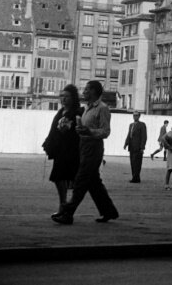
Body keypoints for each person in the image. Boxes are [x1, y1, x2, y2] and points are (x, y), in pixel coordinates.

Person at [52, 80, 119, 225]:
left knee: (81, 182)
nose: (85, 91)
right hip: (83, 148)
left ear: (94, 91)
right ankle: (108, 211)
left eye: (87, 89)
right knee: (94, 183)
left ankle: (67, 212)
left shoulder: (102, 108)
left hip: (94, 149)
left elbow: (105, 131)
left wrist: (89, 131)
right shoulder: (86, 108)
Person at [43, 85, 84, 215]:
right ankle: (63, 205)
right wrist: (49, 143)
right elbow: (53, 130)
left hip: (72, 151)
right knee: (58, 178)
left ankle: (66, 208)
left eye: (66, 96)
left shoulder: (78, 113)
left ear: (73, 98)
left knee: (77, 181)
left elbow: (79, 132)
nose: (63, 99)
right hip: (60, 151)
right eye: (62, 96)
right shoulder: (60, 112)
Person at [124, 111, 147, 183]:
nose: (135, 117)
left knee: (137, 163)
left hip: (138, 147)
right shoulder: (131, 125)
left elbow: (144, 136)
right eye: (134, 115)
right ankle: (134, 176)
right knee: (132, 162)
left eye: (136, 115)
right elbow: (129, 135)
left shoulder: (142, 125)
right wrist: (126, 143)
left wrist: (142, 147)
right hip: (131, 147)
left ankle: (136, 178)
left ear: (139, 116)